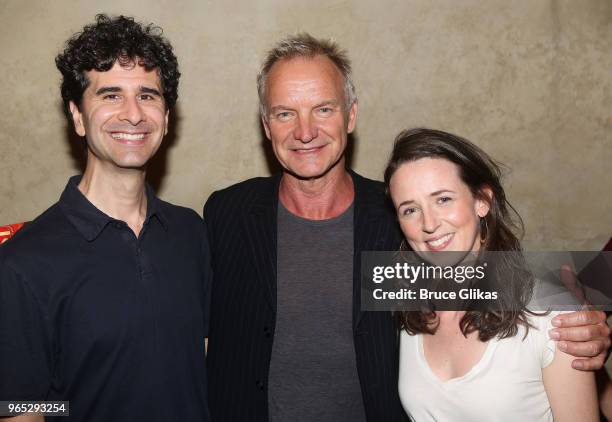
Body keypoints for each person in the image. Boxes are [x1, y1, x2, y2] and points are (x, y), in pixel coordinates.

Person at [203, 34, 609, 422]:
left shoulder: (396, 218)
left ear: (351, 116)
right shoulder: (229, 213)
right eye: (285, 113)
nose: (305, 131)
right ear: (265, 124)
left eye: (323, 109)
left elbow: (485, 276)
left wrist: (580, 315)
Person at [0, 15, 211, 422]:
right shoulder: (22, 264)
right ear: (77, 116)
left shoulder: (191, 233)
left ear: (166, 118)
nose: (133, 115)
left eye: (148, 96)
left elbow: (196, 358)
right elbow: (21, 408)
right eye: (110, 95)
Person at [385, 128, 598, 421]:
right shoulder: (411, 310)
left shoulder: (549, 311)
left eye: (443, 199)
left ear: (482, 201)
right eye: (410, 210)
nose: (429, 223)